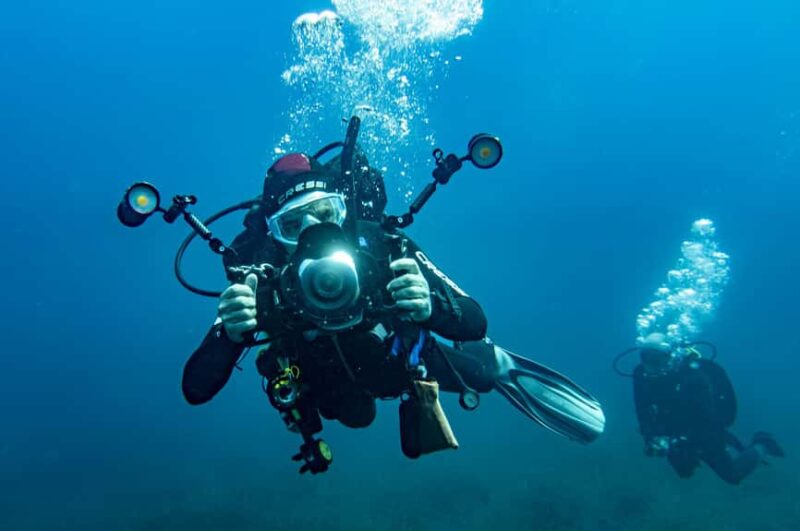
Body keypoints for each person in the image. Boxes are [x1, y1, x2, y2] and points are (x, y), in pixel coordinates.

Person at [181, 147, 605, 465]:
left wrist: (431, 307)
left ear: (343, 211)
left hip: (394, 354)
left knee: (476, 376)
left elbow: (473, 320)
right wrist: (230, 332)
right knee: (356, 416)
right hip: (321, 371)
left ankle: (496, 365)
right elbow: (196, 388)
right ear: (275, 235)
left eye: (324, 212)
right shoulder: (263, 278)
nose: (314, 231)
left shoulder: (383, 246)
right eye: (293, 225)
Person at [633, 332, 784, 484]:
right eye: (646, 358)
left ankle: (762, 443)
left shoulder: (694, 376)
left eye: (657, 359)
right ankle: (728, 441)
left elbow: (707, 416)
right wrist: (651, 437)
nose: (652, 365)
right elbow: (642, 410)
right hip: (673, 425)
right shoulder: (641, 375)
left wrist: (682, 441)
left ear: (670, 356)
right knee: (685, 472)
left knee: (733, 475)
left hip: (705, 426)